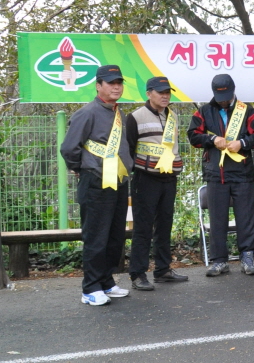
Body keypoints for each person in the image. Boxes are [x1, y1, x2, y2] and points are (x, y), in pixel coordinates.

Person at [61, 65, 134, 306]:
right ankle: (90, 288)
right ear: (98, 85)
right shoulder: (87, 113)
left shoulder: (118, 113)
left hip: (119, 180)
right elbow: (69, 147)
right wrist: (81, 168)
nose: (116, 87)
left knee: (114, 235)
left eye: (119, 82)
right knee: (96, 235)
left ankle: (106, 282)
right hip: (96, 181)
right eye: (110, 82)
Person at [188, 73, 254, 277]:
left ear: (233, 91)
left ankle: (248, 257)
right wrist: (212, 139)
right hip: (215, 173)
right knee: (217, 218)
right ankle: (218, 260)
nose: (223, 100)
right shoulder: (204, 111)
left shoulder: (248, 111)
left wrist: (242, 143)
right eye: (219, 96)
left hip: (242, 173)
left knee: (246, 217)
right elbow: (193, 136)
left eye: (226, 95)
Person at [125, 76, 189, 290]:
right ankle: (138, 273)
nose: (165, 96)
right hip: (145, 179)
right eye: (160, 92)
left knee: (165, 224)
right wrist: (143, 167)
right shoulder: (135, 117)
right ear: (149, 93)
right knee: (143, 227)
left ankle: (162, 269)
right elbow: (129, 149)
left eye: (167, 92)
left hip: (169, 178)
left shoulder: (173, 116)